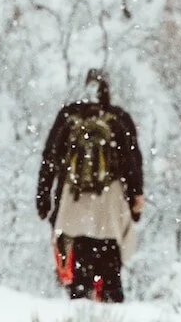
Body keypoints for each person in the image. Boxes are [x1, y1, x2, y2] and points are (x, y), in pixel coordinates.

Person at [36, 71, 145, 304]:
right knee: (110, 272)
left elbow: (50, 157)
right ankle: (112, 318)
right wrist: (136, 199)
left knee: (80, 273)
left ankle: (80, 316)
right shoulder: (118, 118)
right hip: (109, 205)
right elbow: (132, 161)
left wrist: (44, 198)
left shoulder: (68, 116)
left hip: (73, 204)